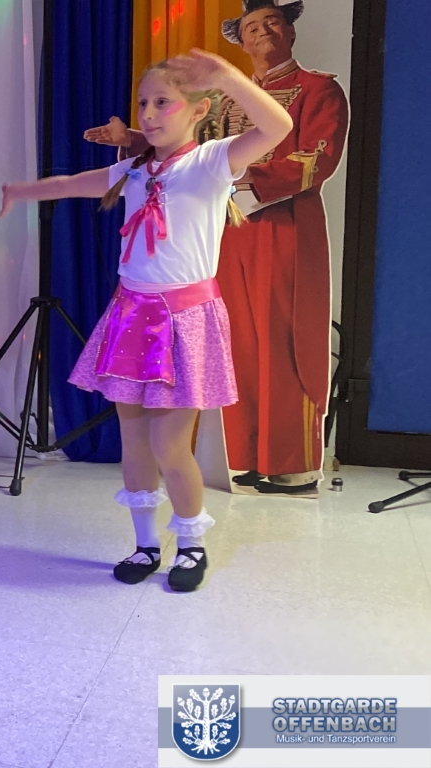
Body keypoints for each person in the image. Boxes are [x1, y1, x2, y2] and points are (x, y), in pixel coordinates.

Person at [0, 51, 293, 592]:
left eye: (163, 102)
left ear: (199, 110)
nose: (150, 113)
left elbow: (279, 126)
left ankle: (191, 545)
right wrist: (21, 192)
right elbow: (72, 183)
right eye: (143, 103)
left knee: (169, 446)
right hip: (131, 313)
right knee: (133, 441)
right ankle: (145, 545)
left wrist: (229, 78)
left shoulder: (212, 162)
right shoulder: (134, 168)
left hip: (183, 319)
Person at [84, 0, 348, 496]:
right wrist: (134, 140)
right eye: (252, 26)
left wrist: (240, 182)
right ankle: (244, 457)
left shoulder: (318, 89)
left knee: (284, 338)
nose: (263, 31)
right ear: (241, 41)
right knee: (235, 340)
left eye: (272, 22)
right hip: (222, 230)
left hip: (283, 226)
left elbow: (317, 158)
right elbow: (189, 153)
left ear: (290, 30)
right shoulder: (224, 101)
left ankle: (290, 463)